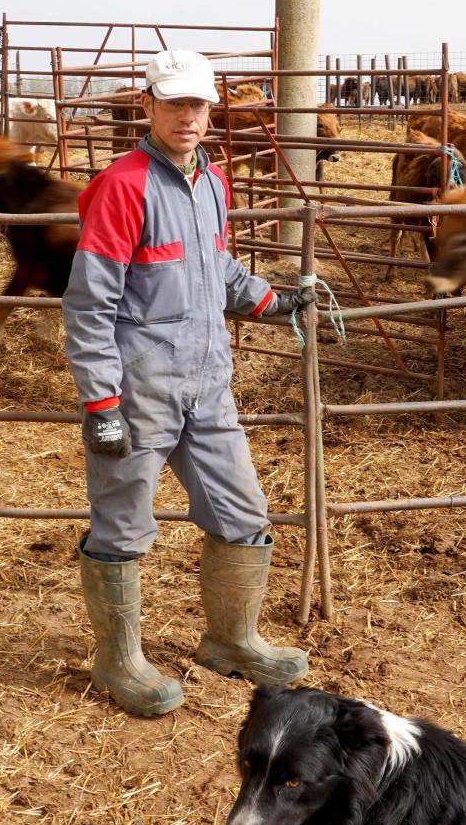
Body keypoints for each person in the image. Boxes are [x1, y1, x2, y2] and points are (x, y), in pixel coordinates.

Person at [61, 50, 314, 716]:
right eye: (175, 103)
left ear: (211, 111)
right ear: (149, 105)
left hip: (208, 383)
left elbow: (216, 268)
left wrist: (272, 301)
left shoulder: (213, 182)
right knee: (122, 526)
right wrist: (101, 403)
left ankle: (231, 639)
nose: (188, 116)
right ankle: (117, 660)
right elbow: (89, 303)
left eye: (198, 104)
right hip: (139, 390)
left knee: (243, 511)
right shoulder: (123, 185)